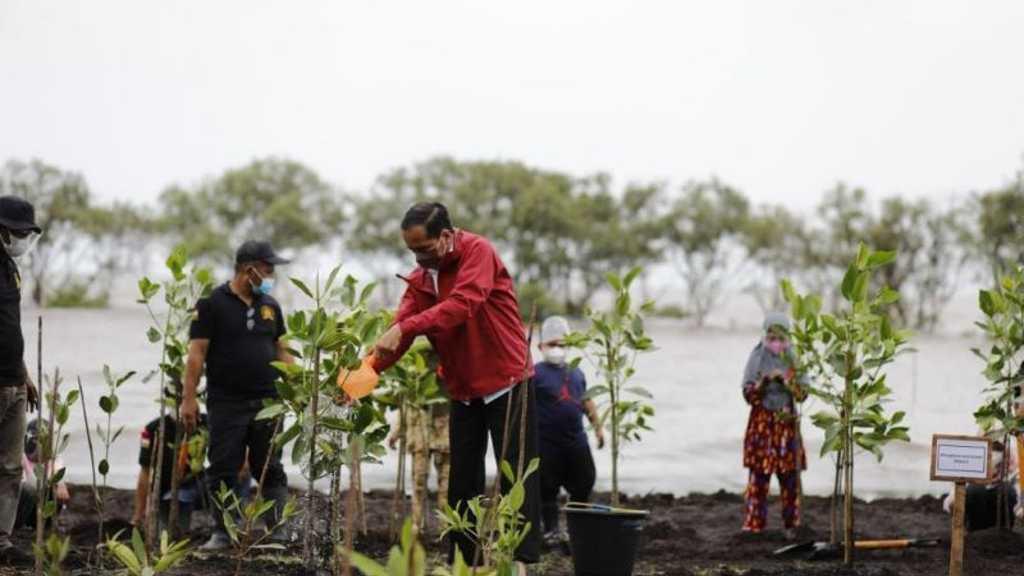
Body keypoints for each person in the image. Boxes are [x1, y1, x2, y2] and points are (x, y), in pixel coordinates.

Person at [373, 202, 541, 570]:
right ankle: (466, 561)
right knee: (463, 480)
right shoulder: (421, 278)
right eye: (413, 251)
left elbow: (463, 304)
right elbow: (396, 336)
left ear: (446, 236)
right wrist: (359, 380)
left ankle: (521, 561)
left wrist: (407, 326)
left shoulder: (478, 252)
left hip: (507, 380)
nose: (419, 259)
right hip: (463, 387)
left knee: (516, 473)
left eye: (425, 249)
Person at [180, 240, 293, 551]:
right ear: (249, 269)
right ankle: (223, 531)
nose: (272, 276)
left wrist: (296, 389)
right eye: (268, 269)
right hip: (226, 403)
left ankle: (278, 531)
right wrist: (188, 399)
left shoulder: (271, 305)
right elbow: (196, 355)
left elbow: (282, 349)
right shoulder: (210, 304)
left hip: (268, 403)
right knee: (223, 468)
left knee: (269, 466)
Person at [532, 316, 604, 548]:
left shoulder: (576, 372)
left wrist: (598, 428)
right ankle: (551, 532)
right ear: (540, 346)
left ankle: (577, 532)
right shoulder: (534, 374)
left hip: (576, 442)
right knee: (547, 489)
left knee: (584, 484)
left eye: (561, 345)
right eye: (551, 344)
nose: (557, 349)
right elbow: (523, 408)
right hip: (547, 443)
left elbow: (587, 401)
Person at [741, 312, 807, 538]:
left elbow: (803, 394)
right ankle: (754, 525)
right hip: (762, 424)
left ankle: (791, 526)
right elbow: (748, 394)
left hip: (786, 424)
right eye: (772, 336)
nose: (776, 341)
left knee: (790, 478)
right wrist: (765, 382)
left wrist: (788, 383)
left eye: (781, 337)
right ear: (765, 335)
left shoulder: (794, 357)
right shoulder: (756, 357)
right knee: (758, 476)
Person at [0, 196, 41, 565]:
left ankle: (2, 541)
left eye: (27, 233)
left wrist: (24, 373)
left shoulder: (11, 269)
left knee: (12, 466)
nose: (22, 239)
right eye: (17, 232)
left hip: (13, 380)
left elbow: (10, 328)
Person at [388, 394, 451, 533]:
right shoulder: (413, 378)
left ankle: (446, 525)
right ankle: (417, 524)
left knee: (446, 484)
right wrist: (396, 432)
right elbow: (405, 402)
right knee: (418, 482)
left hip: (444, 429)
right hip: (418, 432)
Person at [15, 419, 69, 530]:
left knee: (55, 490)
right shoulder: (20, 457)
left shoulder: (53, 460)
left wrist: (61, 484)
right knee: (27, 490)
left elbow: (58, 473)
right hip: (21, 506)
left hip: (39, 508)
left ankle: (45, 525)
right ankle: (18, 526)